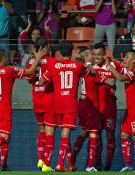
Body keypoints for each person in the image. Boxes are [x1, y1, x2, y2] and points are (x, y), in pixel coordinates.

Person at [0, 48, 45, 171]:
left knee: (5, 137)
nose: (7, 59)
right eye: (6, 58)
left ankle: (4, 166)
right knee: (5, 137)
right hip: (4, 109)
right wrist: (38, 59)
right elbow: (30, 72)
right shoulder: (9, 70)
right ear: (2, 58)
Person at [38, 40, 87, 172]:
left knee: (64, 135)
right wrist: (81, 59)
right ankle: (60, 164)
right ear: (71, 51)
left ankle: (66, 164)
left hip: (58, 104)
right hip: (70, 105)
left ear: (59, 52)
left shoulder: (54, 66)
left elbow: (41, 81)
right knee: (65, 135)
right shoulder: (77, 65)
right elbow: (91, 72)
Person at [106, 50, 135, 172]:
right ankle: (128, 164)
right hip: (130, 109)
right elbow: (121, 67)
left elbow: (120, 77)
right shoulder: (130, 70)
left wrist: (109, 66)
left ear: (133, 60)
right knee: (124, 134)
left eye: (127, 57)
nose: (125, 58)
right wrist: (112, 60)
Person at [25, 36, 57, 170]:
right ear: (47, 47)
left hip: (36, 99)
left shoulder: (30, 61)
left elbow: (29, 78)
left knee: (41, 130)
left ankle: (40, 159)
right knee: (50, 132)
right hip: (49, 98)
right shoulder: (52, 61)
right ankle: (46, 164)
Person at [71, 46, 102, 172]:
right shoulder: (89, 69)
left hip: (82, 103)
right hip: (90, 105)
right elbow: (96, 73)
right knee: (94, 133)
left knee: (84, 132)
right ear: (86, 58)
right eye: (91, 55)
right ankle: (90, 166)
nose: (94, 57)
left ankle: (72, 158)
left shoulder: (82, 69)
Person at [92, 42, 117, 171]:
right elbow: (110, 81)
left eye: (99, 54)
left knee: (110, 136)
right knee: (96, 136)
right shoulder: (89, 67)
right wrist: (105, 79)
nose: (97, 57)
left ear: (104, 54)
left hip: (109, 107)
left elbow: (114, 80)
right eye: (94, 54)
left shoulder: (112, 65)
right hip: (95, 109)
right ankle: (97, 163)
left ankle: (108, 165)